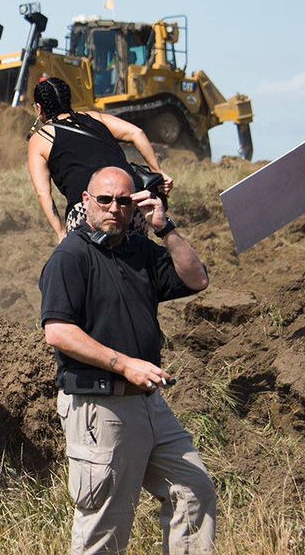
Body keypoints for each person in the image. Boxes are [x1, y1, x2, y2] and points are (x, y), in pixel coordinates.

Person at [39, 166, 214, 554]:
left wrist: (164, 229)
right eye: (105, 200)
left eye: (124, 201)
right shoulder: (71, 256)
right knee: (106, 525)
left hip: (148, 402)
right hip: (99, 407)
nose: (114, 208)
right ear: (86, 201)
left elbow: (196, 280)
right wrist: (124, 364)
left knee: (194, 490)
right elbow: (58, 331)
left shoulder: (141, 251)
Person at [26, 77, 172, 242]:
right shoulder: (95, 118)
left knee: (87, 265)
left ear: (39, 108)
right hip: (131, 203)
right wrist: (158, 171)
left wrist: (61, 232)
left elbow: (43, 193)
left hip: (88, 210)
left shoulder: (41, 138)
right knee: (135, 259)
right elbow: (136, 133)